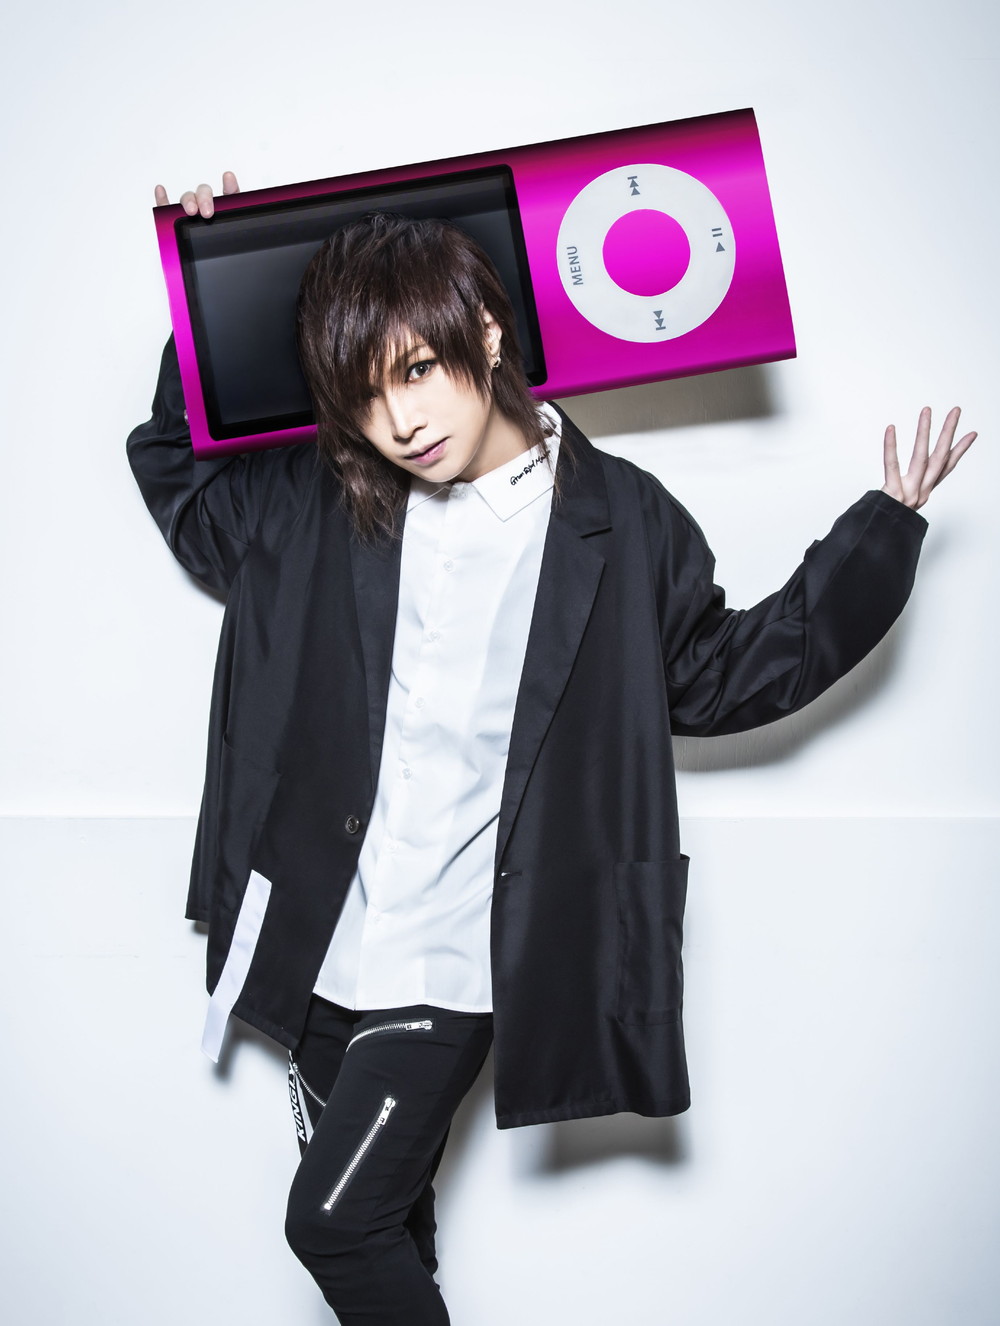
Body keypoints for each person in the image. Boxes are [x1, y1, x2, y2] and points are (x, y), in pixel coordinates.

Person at [130, 173, 975, 1325]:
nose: (400, 422)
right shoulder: (326, 499)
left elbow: (724, 673)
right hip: (324, 938)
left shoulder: (615, 518)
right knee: (395, 1225)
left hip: (457, 959)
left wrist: (882, 529)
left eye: (416, 371)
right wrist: (205, 288)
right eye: (366, 395)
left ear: (485, 333)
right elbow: (184, 486)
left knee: (331, 1223)